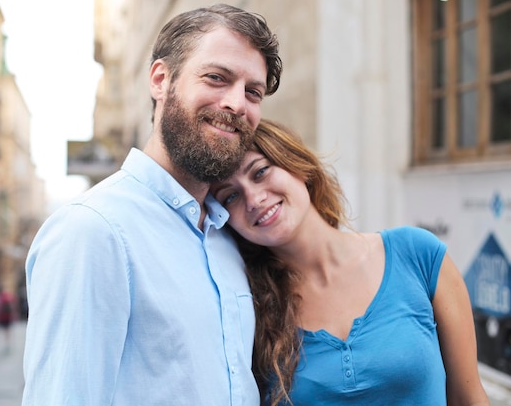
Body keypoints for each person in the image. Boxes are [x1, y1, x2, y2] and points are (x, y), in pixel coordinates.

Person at [21, 4, 282, 406]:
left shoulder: (226, 236)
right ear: (161, 79)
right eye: (216, 78)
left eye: (253, 92)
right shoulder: (93, 229)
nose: (236, 103)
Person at [210, 119, 491, 406]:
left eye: (260, 172)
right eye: (230, 196)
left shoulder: (418, 255)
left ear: (297, 165)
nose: (254, 199)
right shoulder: (249, 306)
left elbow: (468, 398)